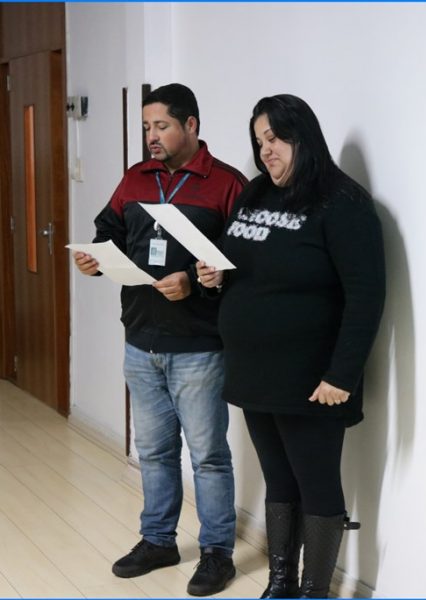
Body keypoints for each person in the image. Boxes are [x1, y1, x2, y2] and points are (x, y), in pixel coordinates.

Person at [197, 94, 386, 598]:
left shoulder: (342, 202)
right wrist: (215, 278)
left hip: (312, 379)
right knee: (279, 480)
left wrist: (342, 374)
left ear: (304, 138)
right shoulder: (256, 192)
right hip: (254, 373)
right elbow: (242, 267)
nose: (267, 151)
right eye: (260, 141)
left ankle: (313, 591)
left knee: (316, 484)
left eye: (277, 139)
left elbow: (366, 296)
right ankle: (281, 581)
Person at [73, 83, 247, 597]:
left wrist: (194, 281)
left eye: (162, 126)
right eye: (147, 126)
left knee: (208, 456)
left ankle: (217, 553)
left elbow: (246, 262)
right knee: (153, 451)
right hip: (140, 340)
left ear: (191, 125)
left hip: (199, 346)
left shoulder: (227, 184)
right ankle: (158, 541)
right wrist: (95, 258)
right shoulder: (135, 178)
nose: (151, 135)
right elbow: (109, 230)